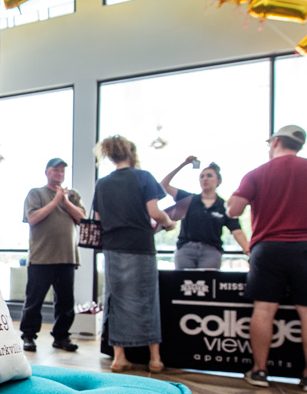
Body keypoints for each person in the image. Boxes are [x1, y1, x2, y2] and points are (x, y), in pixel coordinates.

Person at [226, 124, 307, 393]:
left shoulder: (258, 173)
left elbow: (233, 209)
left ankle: (260, 370)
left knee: (264, 308)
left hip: (268, 246)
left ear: (275, 142)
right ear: (300, 145)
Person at [92, 136, 175, 373]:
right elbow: (155, 212)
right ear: (131, 152)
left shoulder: (102, 184)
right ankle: (155, 358)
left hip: (113, 247)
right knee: (147, 300)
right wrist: (169, 223)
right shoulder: (144, 177)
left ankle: (119, 357)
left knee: (116, 300)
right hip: (140, 246)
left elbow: (98, 220)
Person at [20, 158, 85, 352]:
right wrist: (55, 201)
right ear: (47, 172)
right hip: (41, 258)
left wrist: (64, 200)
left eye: (62, 171)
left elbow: (82, 219)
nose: (60, 174)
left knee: (66, 302)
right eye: (56, 171)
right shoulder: (36, 193)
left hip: (67, 257)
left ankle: (61, 337)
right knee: (34, 301)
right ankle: (29, 336)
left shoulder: (71, 195)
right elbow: (32, 219)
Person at [160, 156, 250, 269]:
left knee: (208, 284)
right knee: (182, 283)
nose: (205, 179)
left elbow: (237, 231)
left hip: (211, 251)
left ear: (218, 180)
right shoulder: (189, 199)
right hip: (186, 250)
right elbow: (164, 185)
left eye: (209, 176)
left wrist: (248, 251)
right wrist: (183, 164)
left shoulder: (223, 206)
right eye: (201, 176)